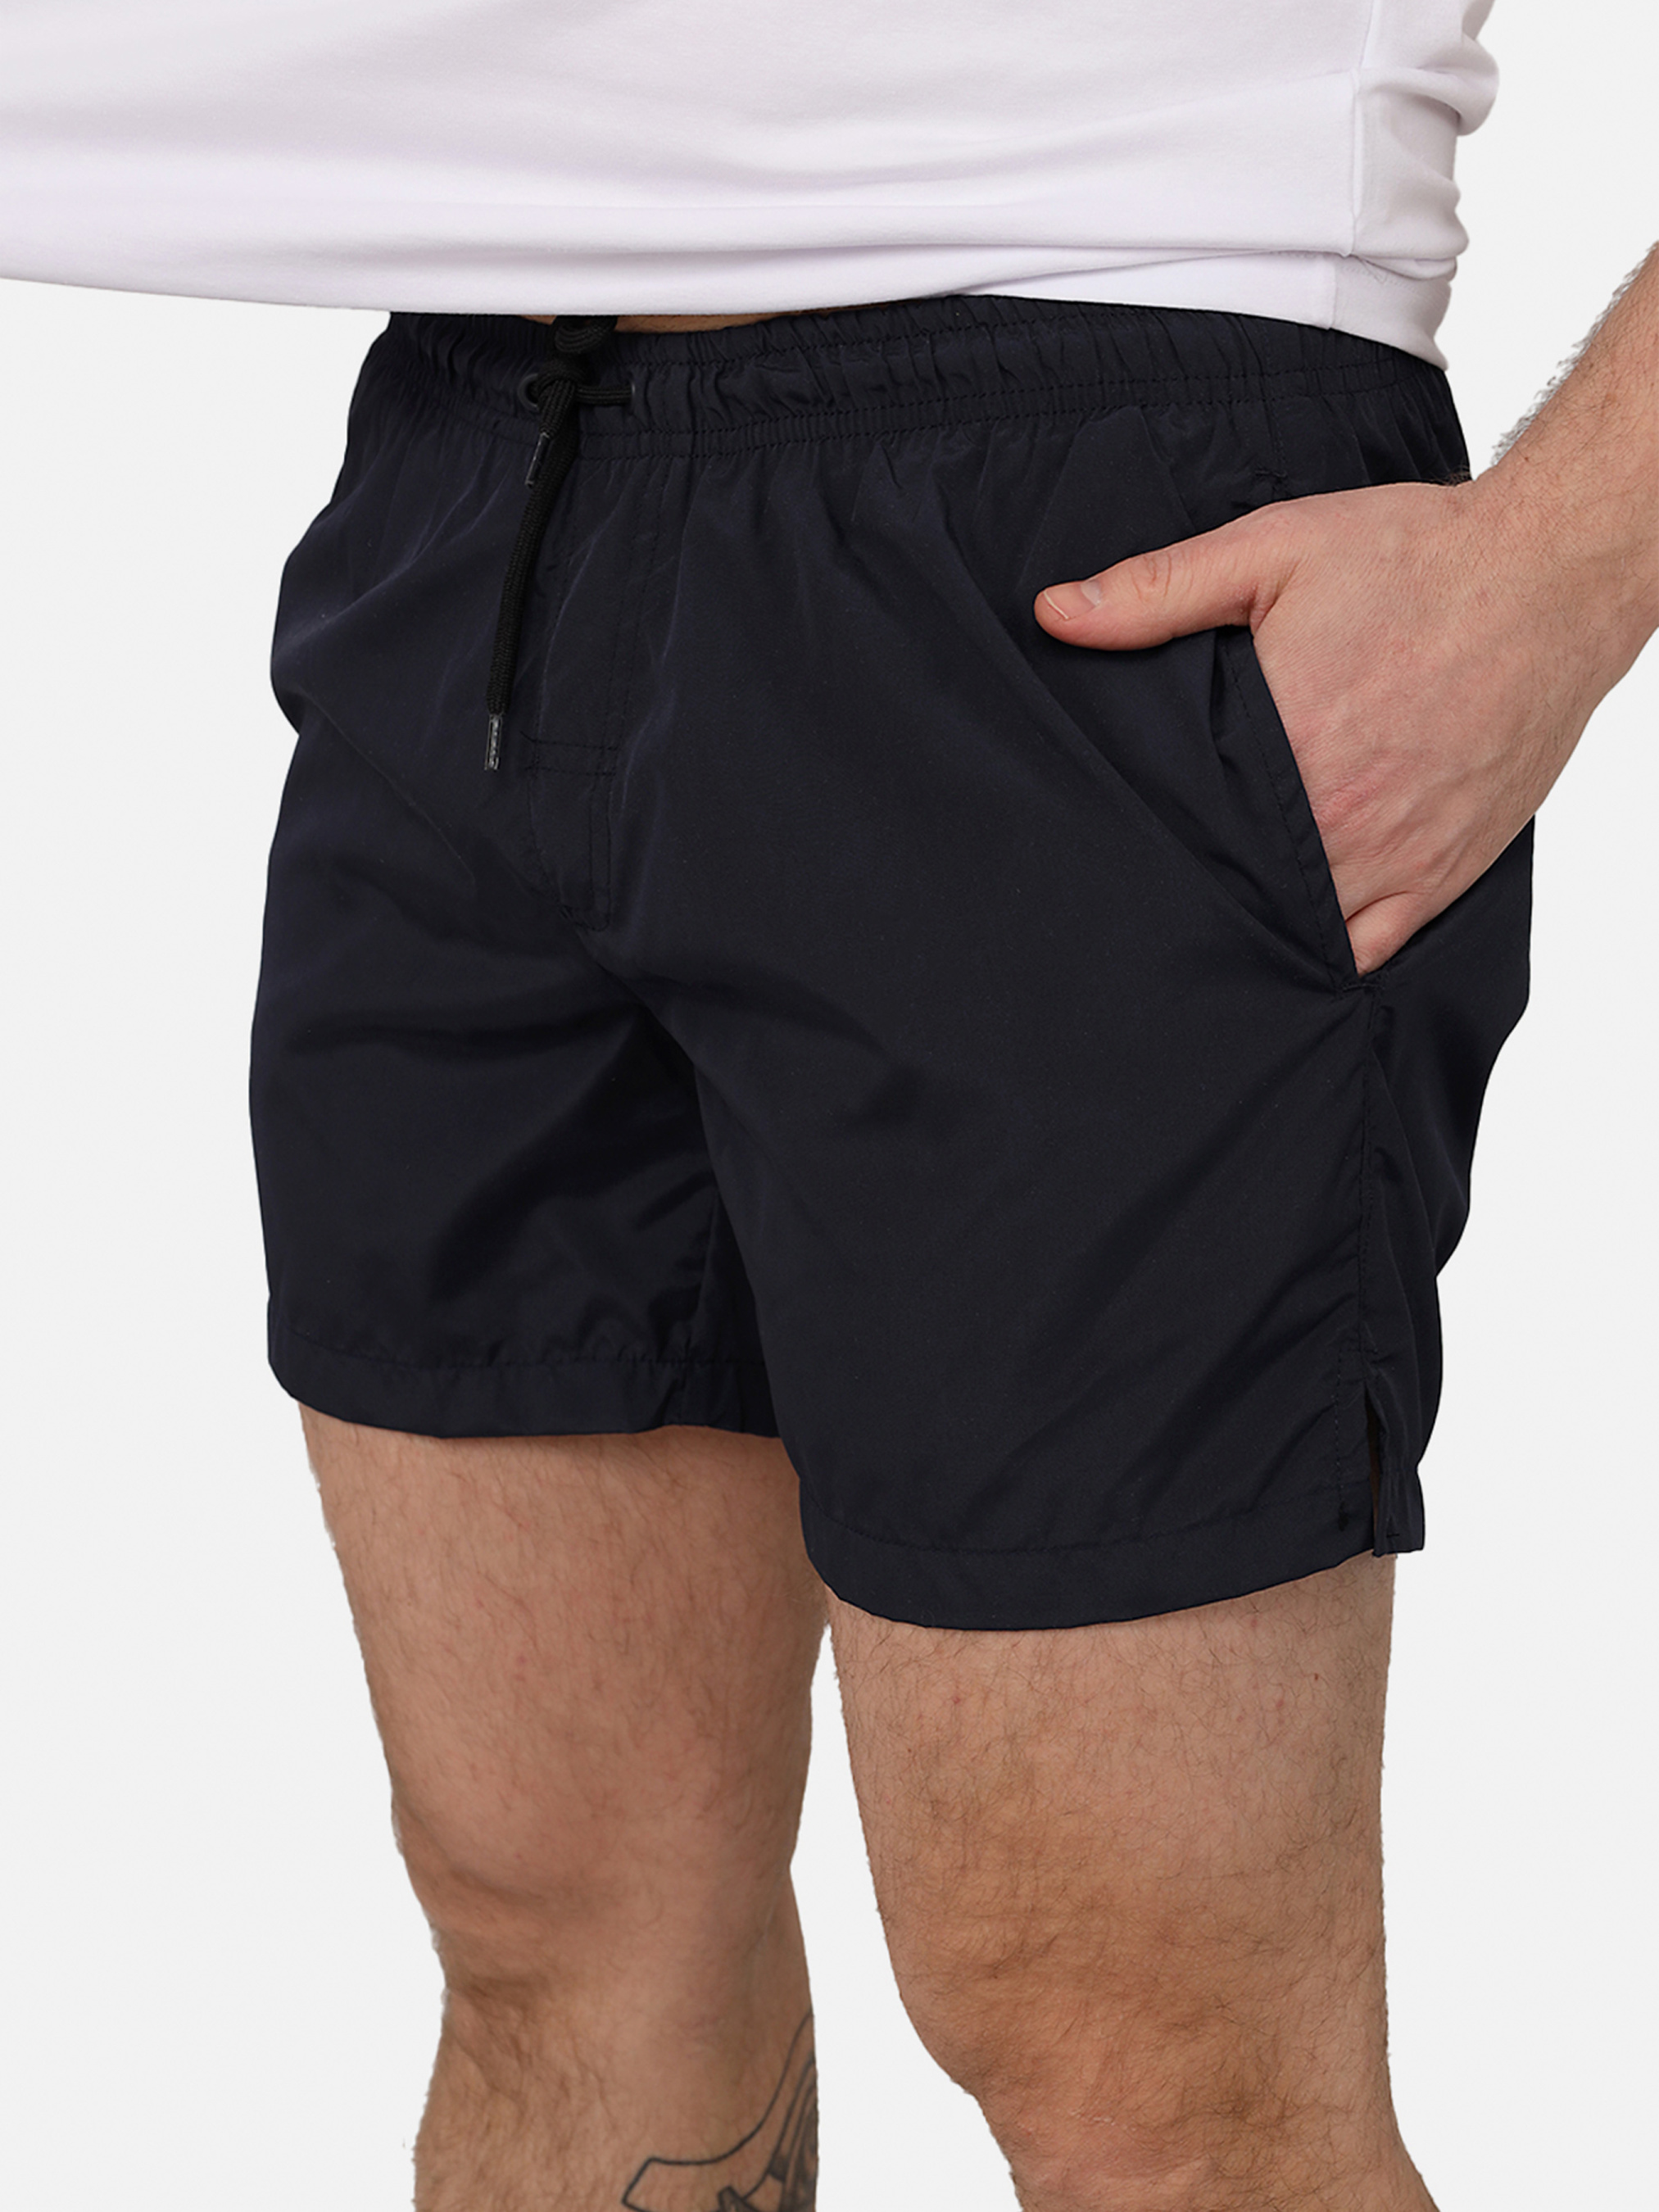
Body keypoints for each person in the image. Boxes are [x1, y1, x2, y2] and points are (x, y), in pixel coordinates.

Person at [2, 6, 1654, 2208]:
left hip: (1094, 484)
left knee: (1143, 2066)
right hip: (485, 468)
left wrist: (1559, 567)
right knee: (545, 1935)